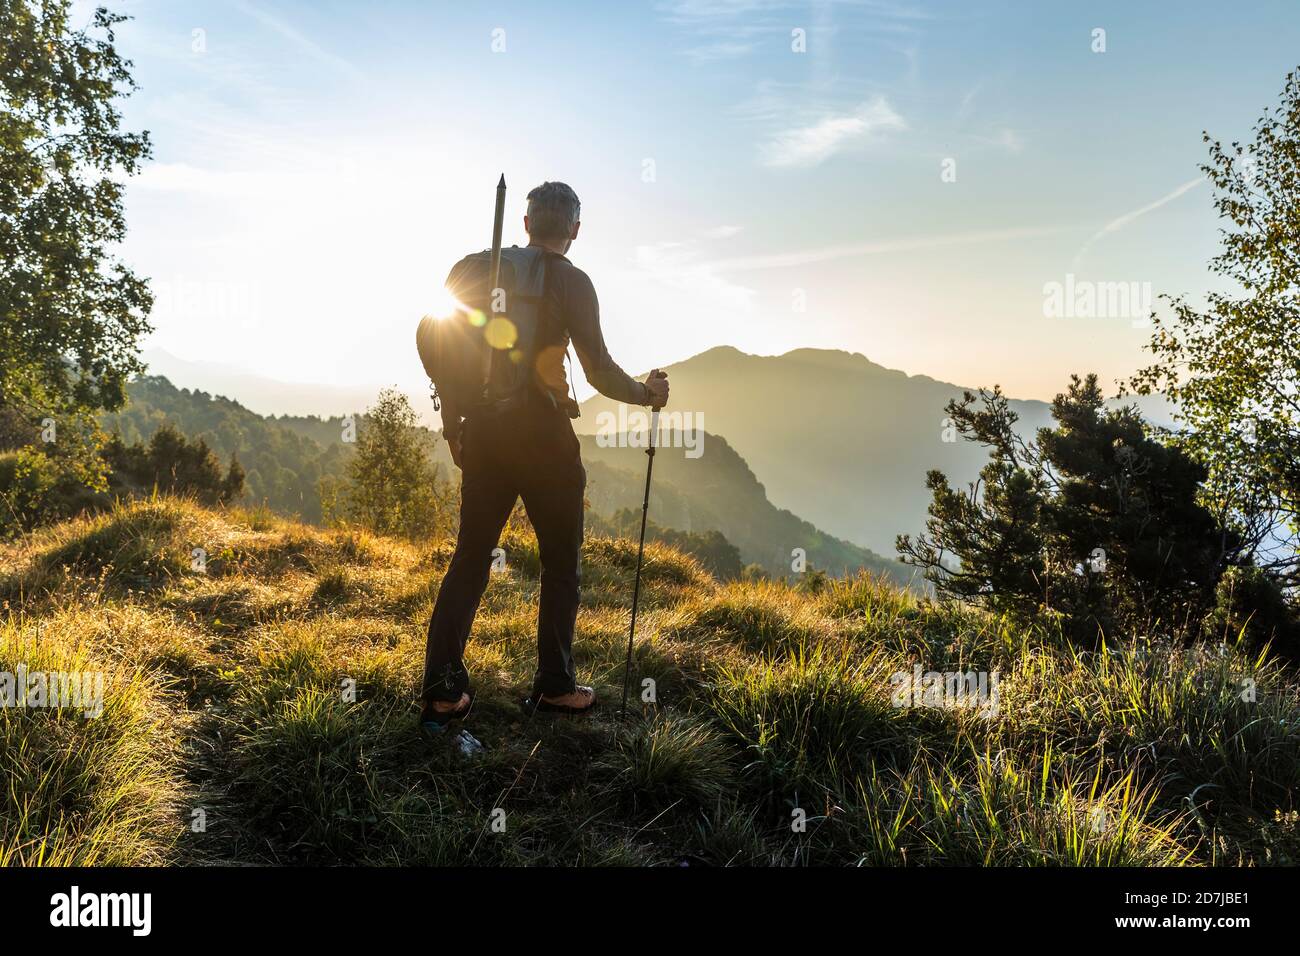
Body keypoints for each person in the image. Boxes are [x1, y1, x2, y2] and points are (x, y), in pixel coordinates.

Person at [420, 181, 669, 728]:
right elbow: (599, 371)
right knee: (561, 561)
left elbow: (444, 348)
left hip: (483, 430)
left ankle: (442, 691)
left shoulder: (474, 266)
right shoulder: (573, 282)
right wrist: (647, 394)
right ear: (575, 230)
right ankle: (554, 686)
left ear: (527, 224)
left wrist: (452, 427)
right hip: (544, 435)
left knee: (471, 557)